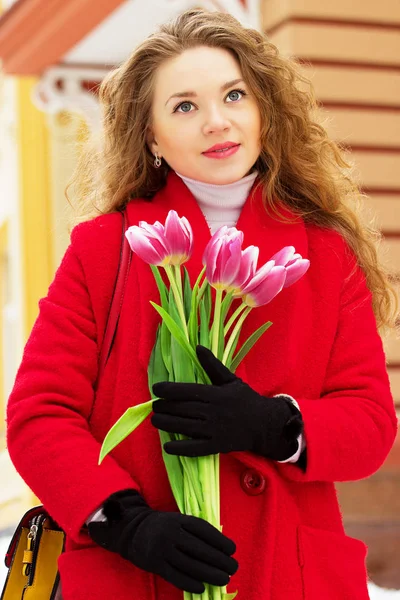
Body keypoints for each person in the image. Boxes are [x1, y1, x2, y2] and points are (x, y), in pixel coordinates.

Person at [6, 8, 399, 600]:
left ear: (265, 110)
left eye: (235, 95)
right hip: (139, 578)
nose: (217, 122)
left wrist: (276, 424)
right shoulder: (105, 250)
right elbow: (39, 415)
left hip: (287, 576)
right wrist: (125, 523)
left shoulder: (326, 254)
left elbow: (370, 424)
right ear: (151, 136)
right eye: (184, 106)